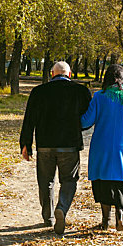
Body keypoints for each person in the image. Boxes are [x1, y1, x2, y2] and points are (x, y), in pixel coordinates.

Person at [20, 61, 92, 235]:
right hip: (70, 145)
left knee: (46, 181)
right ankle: (62, 208)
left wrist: (25, 144)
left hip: (45, 145)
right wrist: (76, 127)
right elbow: (88, 118)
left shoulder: (38, 92)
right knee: (69, 180)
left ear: (52, 74)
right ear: (69, 74)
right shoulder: (81, 91)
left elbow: (29, 119)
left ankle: (48, 217)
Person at [80, 64, 123, 231]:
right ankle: (120, 216)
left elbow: (86, 121)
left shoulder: (100, 97)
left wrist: (72, 117)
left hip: (102, 146)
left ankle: (105, 220)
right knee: (121, 180)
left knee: (102, 181)